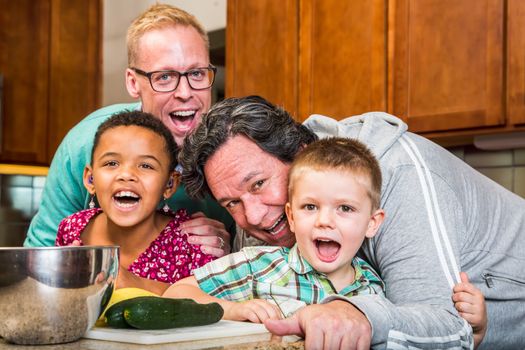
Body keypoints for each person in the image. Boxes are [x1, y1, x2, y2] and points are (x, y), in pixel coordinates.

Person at [179, 95, 523, 349]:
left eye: (258, 184)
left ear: (300, 152)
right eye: (232, 203)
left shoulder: (396, 175)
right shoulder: (273, 211)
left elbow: (446, 323)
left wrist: (357, 313)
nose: (252, 216)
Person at [24, 4, 233, 256]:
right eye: (164, 77)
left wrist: (229, 250)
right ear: (133, 83)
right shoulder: (86, 143)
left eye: (197, 73)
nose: (185, 93)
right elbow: (38, 255)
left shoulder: (232, 152)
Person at [163, 137, 386, 323]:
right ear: (291, 216)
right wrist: (232, 310)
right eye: (310, 207)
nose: (324, 221)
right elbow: (175, 294)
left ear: (371, 223)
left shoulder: (374, 287)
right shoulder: (258, 266)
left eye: (345, 208)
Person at [56, 111, 215, 295]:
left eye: (146, 165)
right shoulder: (71, 230)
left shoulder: (193, 245)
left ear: (169, 184)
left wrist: (131, 282)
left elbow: (210, 308)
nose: (126, 175)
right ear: (90, 179)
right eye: (111, 163)